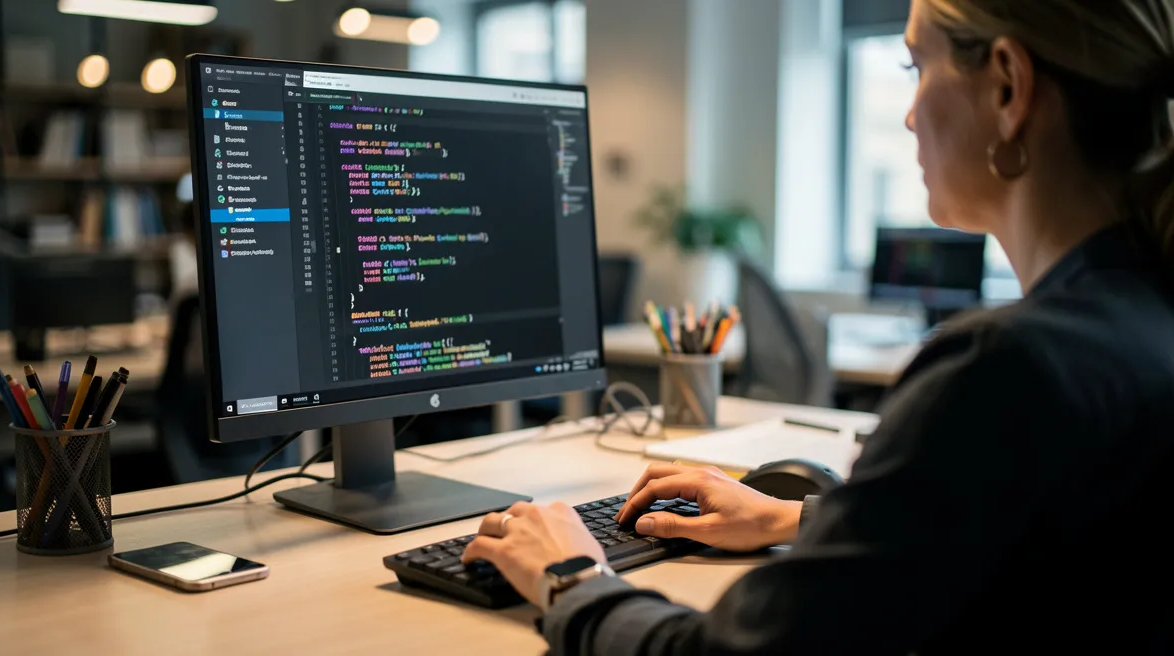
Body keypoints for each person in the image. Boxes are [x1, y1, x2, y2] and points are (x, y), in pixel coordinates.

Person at [458, 1, 1174, 653]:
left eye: (915, 68)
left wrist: (571, 578)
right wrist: (794, 518)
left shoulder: (1004, 369)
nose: (907, 115)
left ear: (1009, 87)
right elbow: (1013, 543)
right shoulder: (1144, 320)